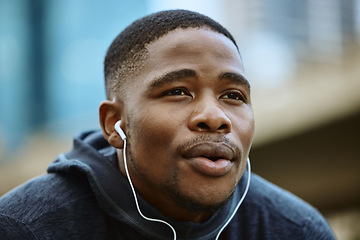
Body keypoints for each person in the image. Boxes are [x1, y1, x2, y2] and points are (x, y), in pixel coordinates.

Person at [0, 9, 335, 240]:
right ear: (115, 123)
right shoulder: (23, 228)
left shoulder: (295, 229)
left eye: (233, 95)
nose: (215, 117)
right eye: (177, 91)